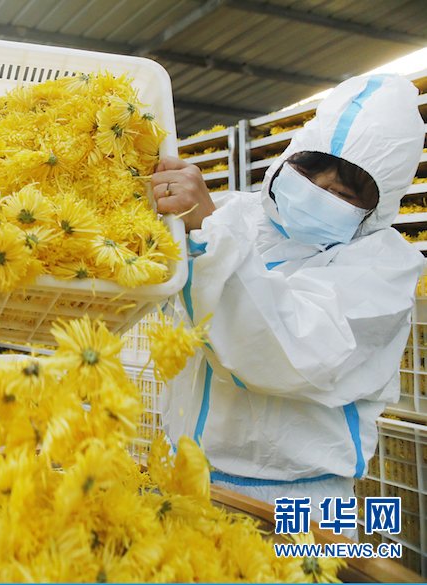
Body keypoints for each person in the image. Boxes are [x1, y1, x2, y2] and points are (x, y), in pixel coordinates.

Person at [151, 73, 426, 525]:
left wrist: (208, 235)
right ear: (287, 159)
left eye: (341, 193)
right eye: (309, 171)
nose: (319, 192)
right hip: (186, 477)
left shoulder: (386, 267)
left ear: (377, 207)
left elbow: (284, 352)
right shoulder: (236, 214)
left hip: (303, 502)